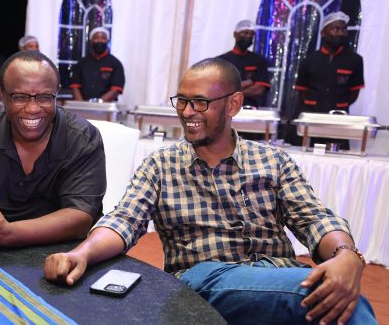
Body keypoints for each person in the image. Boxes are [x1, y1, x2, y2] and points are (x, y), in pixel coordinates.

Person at [44, 57, 376, 324]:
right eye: (182, 101)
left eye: (200, 102)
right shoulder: (161, 165)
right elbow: (125, 219)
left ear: (233, 104)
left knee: (337, 298)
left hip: (277, 280)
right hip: (204, 279)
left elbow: (313, 218)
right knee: (347, 301)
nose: (187, 112)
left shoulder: (272, 160)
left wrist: (346, 255)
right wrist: (81, 254)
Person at [0, 50, 106, 252]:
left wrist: (7, 234)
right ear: (2, 94)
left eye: (44, 97)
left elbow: (80, 217)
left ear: (57, 92)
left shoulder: (82, 138)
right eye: (20, 97)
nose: (33, 108)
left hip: (62, 252)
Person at [295, 11, 364, 149]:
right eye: (335, 29)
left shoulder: (355, 60)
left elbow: (354, 93)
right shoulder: (309, 61)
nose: (340, 33)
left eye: (344, 29)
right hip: (313, 119)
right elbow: (302, 91)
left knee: (340, 159)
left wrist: (337, 104)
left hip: (339, 120)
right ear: (323, 33)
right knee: (309, 155)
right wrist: (315, 104)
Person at [217, 20, 270, 108]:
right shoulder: (221, 61)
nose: (248, 36)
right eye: (245, 33)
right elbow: (218, 89)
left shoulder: (259, 60)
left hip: (250, 109)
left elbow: (259, 90)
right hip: (225, 109)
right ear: (235, 34)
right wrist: (249, 83)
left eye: (251, 34)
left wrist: (231, 93)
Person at [69, 27, 125, 102]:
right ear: (91, 41)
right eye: (96, 38)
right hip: (83, 107)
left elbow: (116, 89)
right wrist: (82, 105)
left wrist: (98, 103)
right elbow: (75, 86)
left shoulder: (115, 63)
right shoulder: (81, 63)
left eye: (103, 38)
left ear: (107, 41)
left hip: (106, 109)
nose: (99, 40)